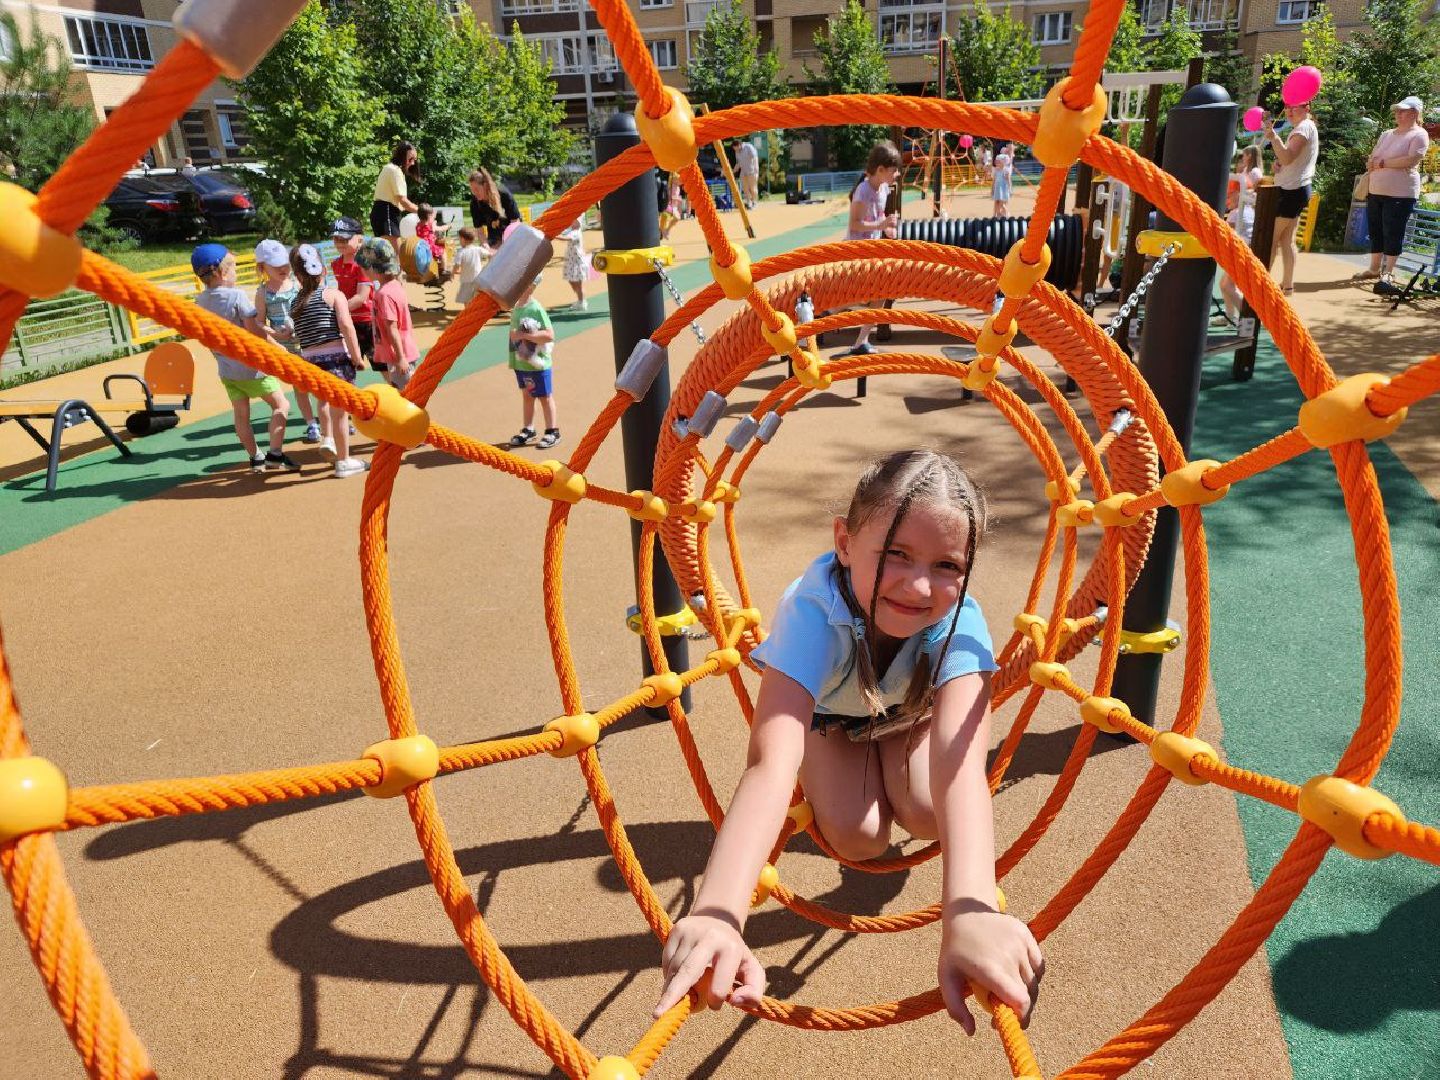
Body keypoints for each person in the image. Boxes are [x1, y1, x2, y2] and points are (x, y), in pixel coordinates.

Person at [653, 450, 1043, 1031]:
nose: (918, 585)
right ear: (844, 542)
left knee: (929, 811)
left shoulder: (962, 627)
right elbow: (769, 762)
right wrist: (719, 911)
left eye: (947, 566)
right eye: (896, 555)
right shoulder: (813, 613)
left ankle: (891, 764)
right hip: (830, 722)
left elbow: (961, 765)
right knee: (860, 839)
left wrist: (971, 909)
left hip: (905, 717)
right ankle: (853, 767)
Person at [191, 243, 300, 473]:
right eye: (234, 269)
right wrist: (276, 347)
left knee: (241, 415)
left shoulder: (200, 302)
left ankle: (256, 457)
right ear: (222, 273)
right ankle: (275, 453)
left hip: (228, 371)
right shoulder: (237, 296)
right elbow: (255, 332)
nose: (236, 274)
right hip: (253, 369)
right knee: (281, 405)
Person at [289, 243, 369, 478]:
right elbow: (346, 326)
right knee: (340, 411)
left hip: (311, 363)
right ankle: (344, 461)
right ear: (323, 270)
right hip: (336, 360)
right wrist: (356, 358)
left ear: (297, 275)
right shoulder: (334, 295)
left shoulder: (296, 303)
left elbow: (302, 335)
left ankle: (328, 438)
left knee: (323, 402)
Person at [1358, 96, 1430, 294]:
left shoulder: (1420, 134)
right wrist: (1373, 162)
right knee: (1376, 230)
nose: (1398, 114)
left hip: (1401, 193)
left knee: (1393, 231)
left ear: (1415, 113)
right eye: (1397, 110)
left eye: (1403, 111)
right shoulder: (1386, 134)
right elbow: (1373, 157)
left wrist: (1382, 163)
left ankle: (1388, 272)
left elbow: (1411, 159)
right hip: (1376, 190)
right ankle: (1374, 269)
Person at [253, 238, 321, 444]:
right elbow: (258, 323)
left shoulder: (298, 284)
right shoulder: (263, 293)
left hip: (310, 342)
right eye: (275, 265)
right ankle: (312, 424)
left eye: (285, 263)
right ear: (262, 267)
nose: (283, 268)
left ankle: (334, 417)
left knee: (321, 382)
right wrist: (275, 335)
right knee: (301, 388)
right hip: (287, 349)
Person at [842, 141, 902, 357]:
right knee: (851, 299)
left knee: (881, 294)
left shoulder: (883, 188)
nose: (896, 175)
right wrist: (881, 225)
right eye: (894, 171)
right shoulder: (863, 191)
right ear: (880, 170)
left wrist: (887, 230)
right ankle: (818, 312)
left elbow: (877, 218)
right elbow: (855, 224)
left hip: (872, 251)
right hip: (856, 252)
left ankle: (861, 341)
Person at [1264, 103, 1318, 296]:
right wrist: (1279, 164)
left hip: (1292, 191)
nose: (1289, 111)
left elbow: (1287, 157)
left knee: (1270, 239)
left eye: (1295, 107)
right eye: (1288, 107)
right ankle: (1287, 287)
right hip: (1296, 189)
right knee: (1287, 241)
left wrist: (1273, 137)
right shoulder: (1305, 127)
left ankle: (1262, 285)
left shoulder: (1304, 127)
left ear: (1307, 107)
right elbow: (1288, 160)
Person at [356, 239, 419, 393]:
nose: (362, 272)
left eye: (363, 268)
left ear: (371, 268)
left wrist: (400, 358)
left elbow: (392, 329)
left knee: (405, 393)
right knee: (405, 390)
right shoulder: (396, 286)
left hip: (399, 355)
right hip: (402, 351)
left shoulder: (384, 294)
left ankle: (411, 417)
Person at [506, 274, 559, 450]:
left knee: (544, 396)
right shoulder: (516, 307)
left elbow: (550, 335)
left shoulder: (536, 308)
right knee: (527, 396)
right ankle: (528, 429)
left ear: (530, 285)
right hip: (521, 363)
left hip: (538, 364)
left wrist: (524, 335)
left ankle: (552, 431)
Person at [1218, 146, 1264, 322]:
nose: (1227, 199)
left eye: (1229, 195)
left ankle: (1247, 320)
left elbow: (1224, 234)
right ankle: (1230, 316)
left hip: (1243, 254)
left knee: (1228, 287)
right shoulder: (1242, 210)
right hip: (1244, 253)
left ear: (1238, 194)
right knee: (1225, 285)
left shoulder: (1238, 213)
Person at [329, 217, 377, 375]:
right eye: (336, 239)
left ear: (360, 239)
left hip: (367, 322)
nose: (340, 243)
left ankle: (399, 392)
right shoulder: (336, 264)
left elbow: (361, 297)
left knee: (381, 363)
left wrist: (337, 311)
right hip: (348, 323)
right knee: (348, 366)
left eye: (345, 239)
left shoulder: (363, 263)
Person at [371, 140, 420, 249]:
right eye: (410, 159)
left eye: (414, 160)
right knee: (398, 254)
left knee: (386, 255)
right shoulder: (394, 171)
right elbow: (403, 201)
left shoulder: (391, 168)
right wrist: (422, 211)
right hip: (386, 212)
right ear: (402, 156)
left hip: (384, 212)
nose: (412, 163)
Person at [468, 167, 522, 248]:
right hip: (494, 237)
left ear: (485, 185)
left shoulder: (504, 195)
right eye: (472, 190)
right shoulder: (474, 204)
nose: (475, 193)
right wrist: (485, 245)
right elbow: (480, 232)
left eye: (476, 189)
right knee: (494, 257)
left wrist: (508, 244)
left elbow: (515, 222)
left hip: (512, 233)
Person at [557, 217, 588, 313]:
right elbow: (565, 234)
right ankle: (580, 299)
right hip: (571, 261)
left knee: (578, 285)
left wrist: (554, 236)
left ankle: (582, 302)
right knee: (571, 280)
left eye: (574, 220)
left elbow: (566, 238)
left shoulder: (576, 233)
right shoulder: (572, 230)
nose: (571, 221)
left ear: (578, 223)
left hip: (577, 262)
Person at [453, 226, 489, 307]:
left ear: (462, 239)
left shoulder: (461, 252)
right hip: (478, 280)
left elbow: (457, 265)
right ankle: (475, 312)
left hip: (466, 281)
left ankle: (468, 314)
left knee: (467, 300)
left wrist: (453, 272)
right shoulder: (478, 249)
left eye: (459, 239)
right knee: (476, 298)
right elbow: (489, 254)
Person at [414, 203, 449, 280]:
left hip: (420, 247)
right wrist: (447, 226)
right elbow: (440, 228)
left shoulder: (418, 225)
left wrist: (433, 220)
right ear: (429, 216)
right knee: (443, 252)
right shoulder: (430, 225)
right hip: (429, 247)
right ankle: (444, 270)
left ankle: (432, 270)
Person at [735, 138, 760, 209]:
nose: (735, 150)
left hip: (752, 170)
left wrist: (756, 169)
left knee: (752, 188)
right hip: (743, 171)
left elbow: (754, 157)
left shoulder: (748, 147)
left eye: (736, 148)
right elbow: (738, 163)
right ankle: (749, 202)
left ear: (739, 145)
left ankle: (754, 202)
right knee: (745, 188)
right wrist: (733, 170)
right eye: (734, 149)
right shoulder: (737, 151)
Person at [991, 143, 1014, 217]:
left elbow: (1008, 181)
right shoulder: (996, 171)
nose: (996, 164)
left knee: (1002, 204)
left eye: (998, 162)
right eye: (996, 162)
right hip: (997, 189)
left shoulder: (1006, 171)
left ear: (1003, 163)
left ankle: (1007, 215)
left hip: (1003, 189)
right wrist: (992, 190)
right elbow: (994, 181)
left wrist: (1010, 190)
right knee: (997, 202)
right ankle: (998, 215)